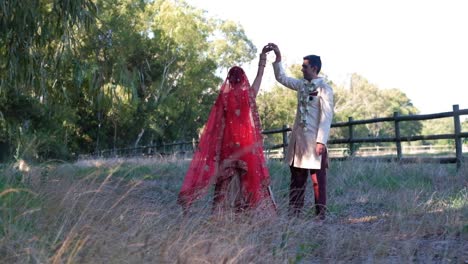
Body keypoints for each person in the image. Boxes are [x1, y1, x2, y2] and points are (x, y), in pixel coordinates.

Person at [177, 47, 276, 215]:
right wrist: (262, 62)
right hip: (246, 146)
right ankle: (244, 213)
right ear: (243, 79)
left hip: (228, 145)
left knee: (224, 182)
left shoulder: (223, 99)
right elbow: (259, 78)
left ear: (229, 79)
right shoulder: (249, 95)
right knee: (246, 179)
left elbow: (215, 125)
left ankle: (219, 216)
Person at [266, 43, 334, 219]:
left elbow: (326, 117)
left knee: (318, 182)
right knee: (296, 180)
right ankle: (294, 215)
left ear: (314, 68)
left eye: (305, 66)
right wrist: (278, 58)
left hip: (314, 142)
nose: (302, 69)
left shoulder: (324, 89)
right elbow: (281, 77)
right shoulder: (301, 85)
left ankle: (320, 217)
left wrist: (321, 141)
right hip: (299, 143)